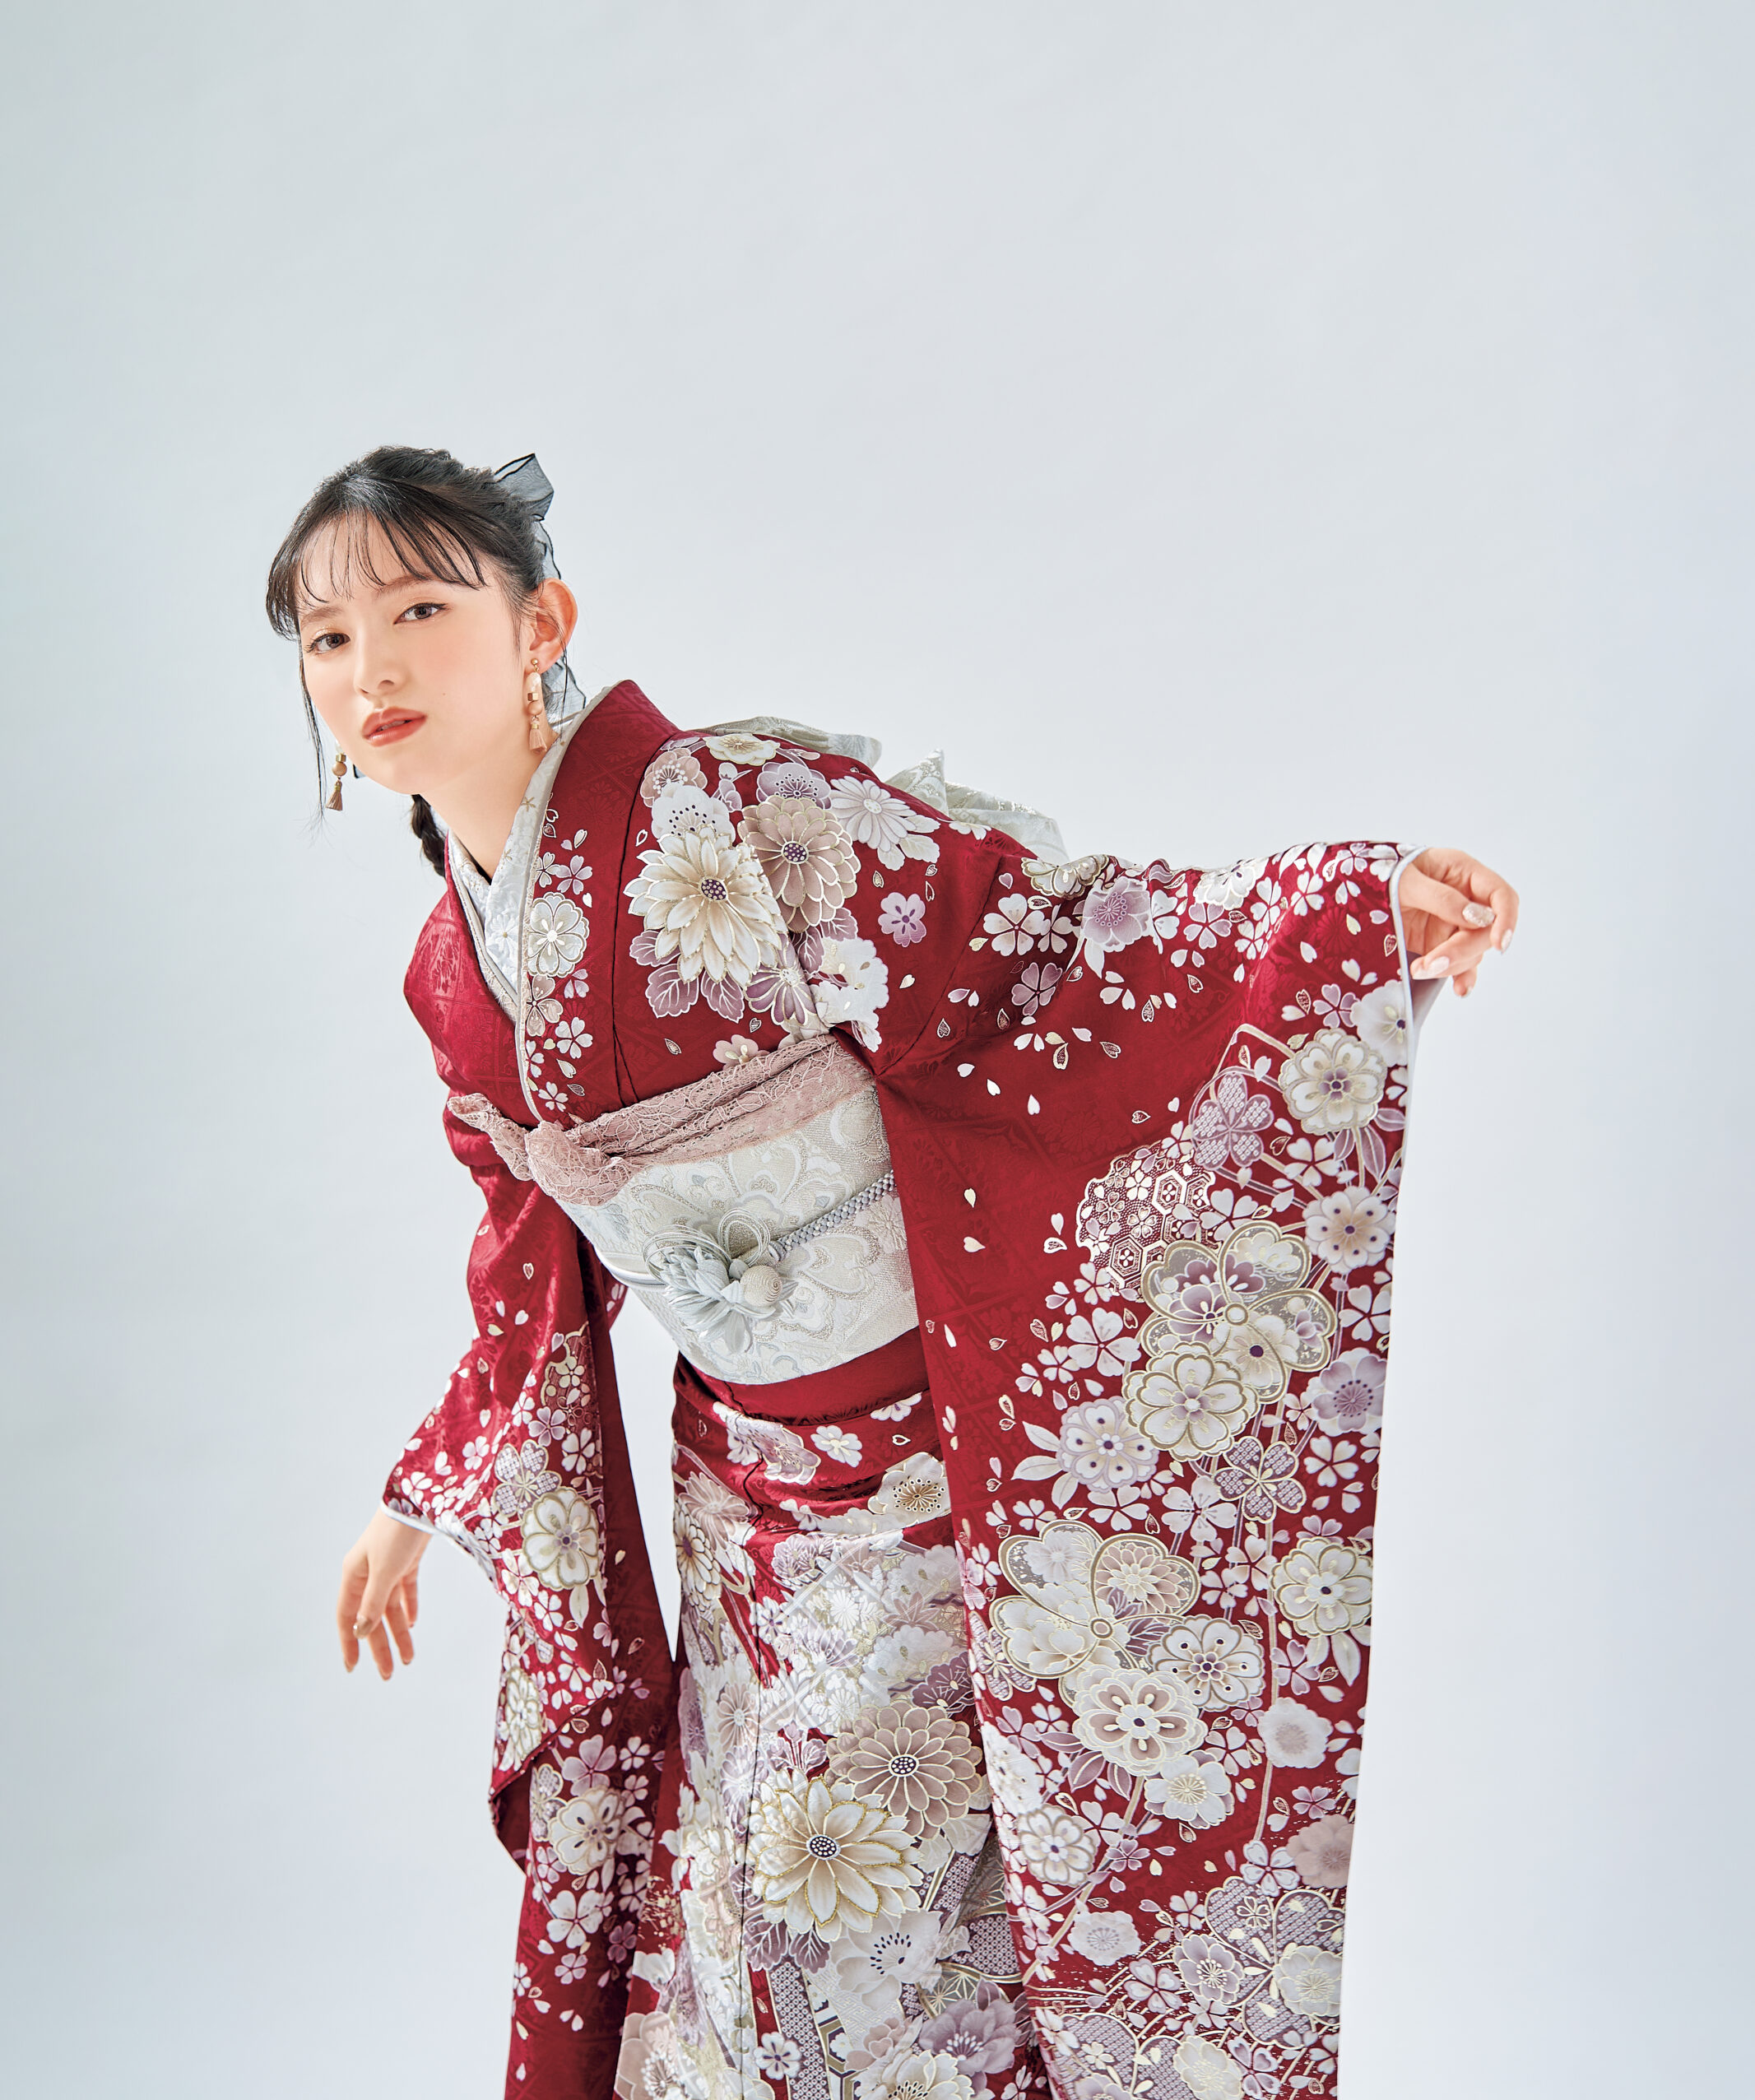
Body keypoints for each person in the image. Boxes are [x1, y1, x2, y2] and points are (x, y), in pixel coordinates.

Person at [267, 446, 1517, 2100]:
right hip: (739, 1503)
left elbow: (1037, 946)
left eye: (423, 611)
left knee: (858, 1901)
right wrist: (423, 1492)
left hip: (930, 1482)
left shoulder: (733, 813)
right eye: (328, 637)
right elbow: (528, 1258)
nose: (374, 667)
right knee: (751, 1911)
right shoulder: (452, 972)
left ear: (540, 624)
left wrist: (1343, 917)